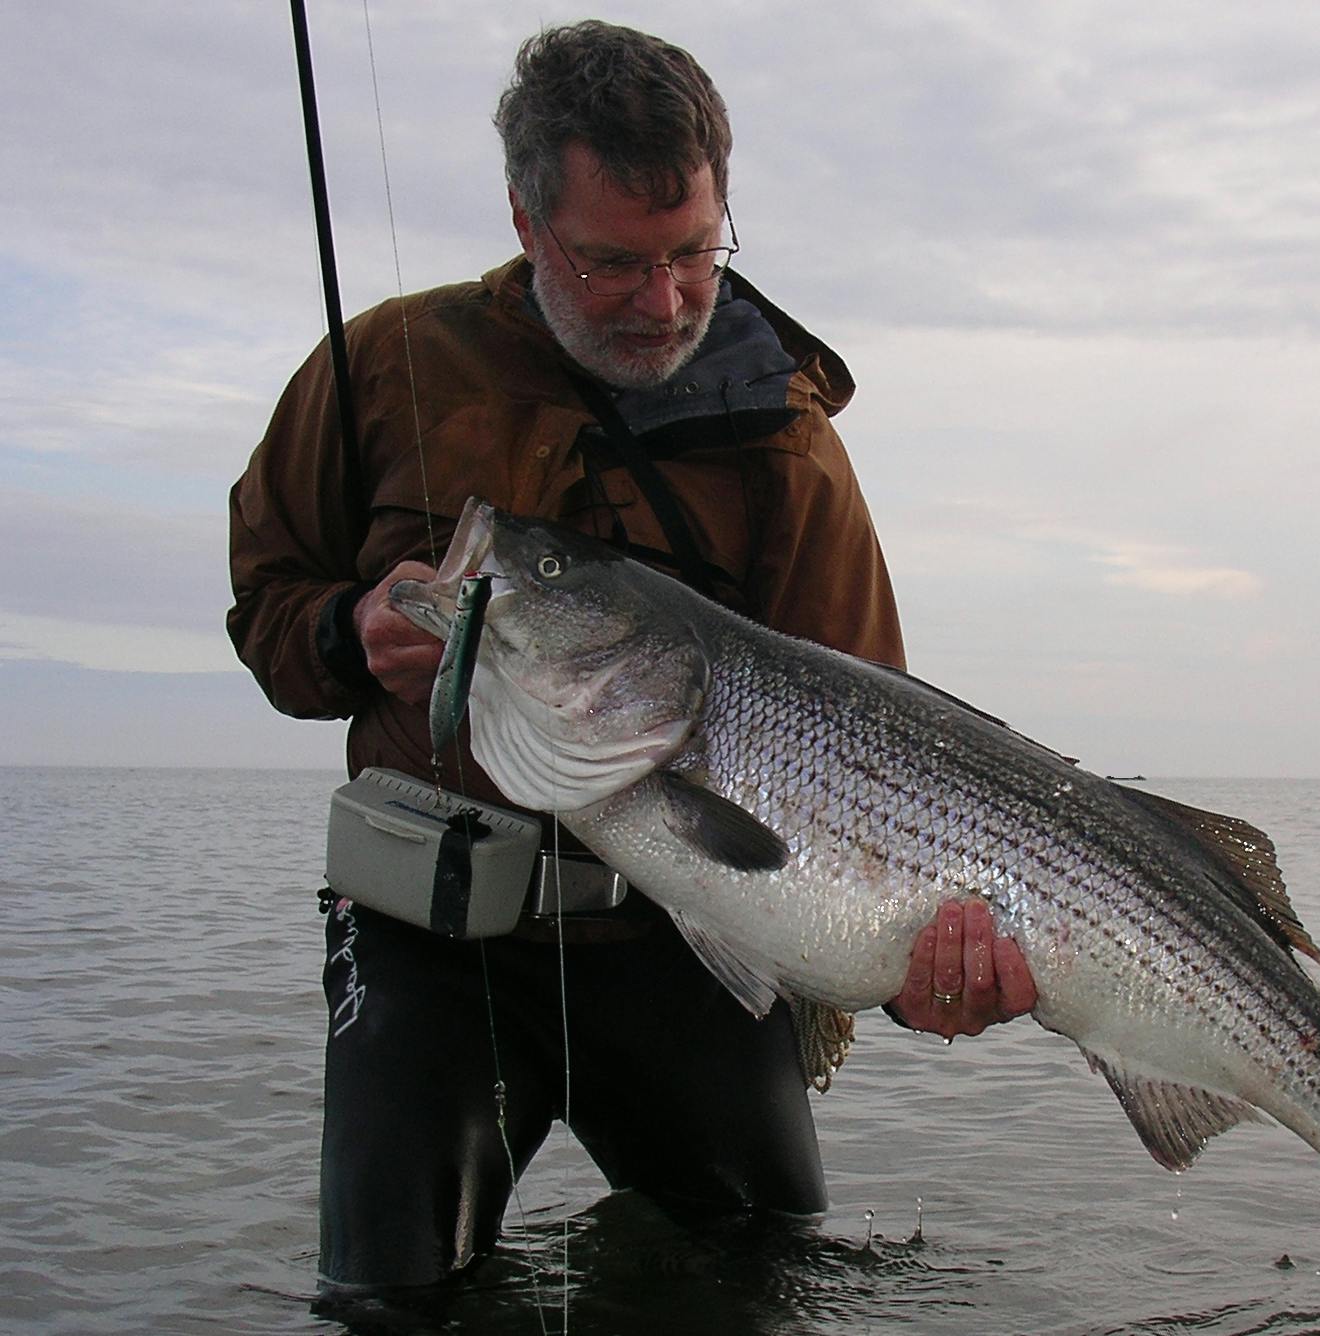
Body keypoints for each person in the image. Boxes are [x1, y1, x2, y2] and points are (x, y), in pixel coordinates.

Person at [228, 19, 1036, 1302]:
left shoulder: (787, 444)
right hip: (430, 937)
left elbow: (877, 769)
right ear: (525, 216)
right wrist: (342, 630)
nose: (662, 304)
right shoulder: (383, 369)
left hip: (688, 937)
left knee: (762, 1284)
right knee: (390, 1299)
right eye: (611, 264)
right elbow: (268, 609)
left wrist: (905, 978)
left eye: (693, 256)